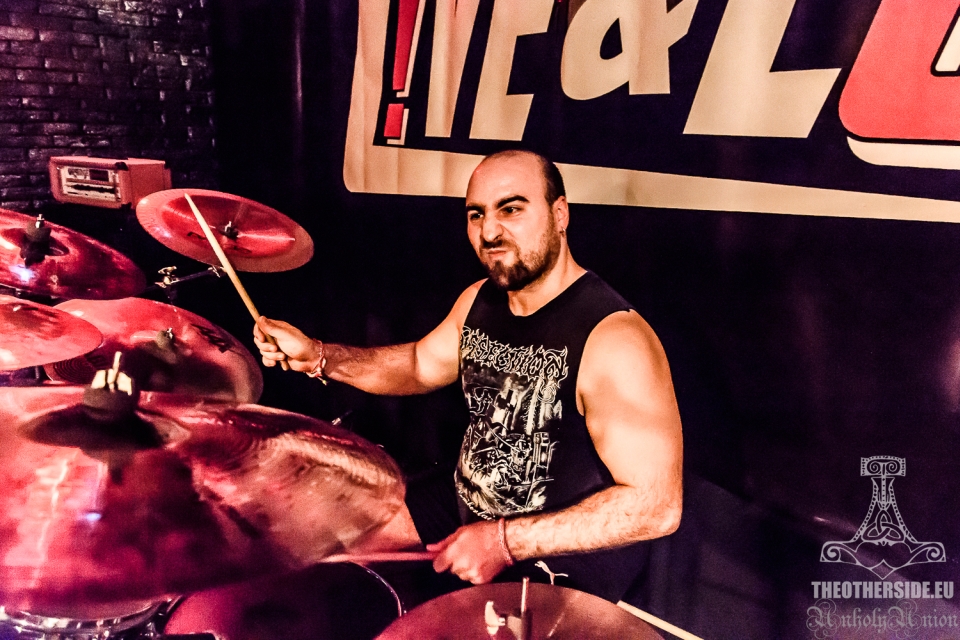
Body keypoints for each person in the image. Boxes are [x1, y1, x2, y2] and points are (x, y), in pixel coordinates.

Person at [253, 150, 683, 602]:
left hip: (559, 554)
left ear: (560, 214)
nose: (489, 232)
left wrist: (503, 541)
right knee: (327, 551)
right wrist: (319, 356)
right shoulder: (480, 299)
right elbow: (418, 365)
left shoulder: (614, 340)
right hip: (466, 502)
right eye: (476, 215)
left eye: (511, 209)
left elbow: (656, 505)